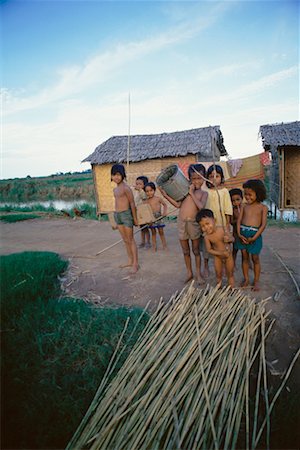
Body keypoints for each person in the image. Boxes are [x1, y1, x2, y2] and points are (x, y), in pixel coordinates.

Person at [159, 164, 208, 284]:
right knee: (185, 251)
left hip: (194, 224)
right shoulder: (184, 192)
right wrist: (165, 195)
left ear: (204, 178)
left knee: (196, 251)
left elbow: (201, 207)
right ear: (189, 179)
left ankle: (198, 273)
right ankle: (189, 273)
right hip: (181, 223)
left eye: (199, 178)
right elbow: (178, 205)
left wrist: (191, 193)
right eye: (193, 178)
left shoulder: (203, 194)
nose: (196, 181)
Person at [237, 179, 268, 291]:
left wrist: (255, 237)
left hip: (255, 235)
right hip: (243, 234)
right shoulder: (244, 206)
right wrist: (240, 234)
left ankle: (256, 281)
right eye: (245, 194)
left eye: (250, 194)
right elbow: (239, 221)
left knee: (255, 258)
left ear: (258, 193)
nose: (247, 197)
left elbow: (263, 225)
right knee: (244, 258)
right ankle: (246, 279)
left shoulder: (263, 208)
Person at [205, 164, 233, 276]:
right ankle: (213, 270)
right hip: (210, 227)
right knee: (212, 248)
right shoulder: (206, 192)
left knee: (224, 248)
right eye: (211, 176)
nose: (214, 178)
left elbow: (228, 211)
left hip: (222, 226)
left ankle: (228, 269)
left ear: (221, 177)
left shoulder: (225, 191)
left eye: (217, 176)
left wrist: (227, 227)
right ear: (207, 178)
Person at [111, 163, 139, 274]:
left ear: (123, 175)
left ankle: (135, 264)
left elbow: (132, 203)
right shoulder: (115, 190)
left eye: (118, 174)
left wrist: (135, 219)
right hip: (118, 216)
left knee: (131, 239)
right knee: (125, 240)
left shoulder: (126, 188)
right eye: (114, 175)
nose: (116, 177)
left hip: (126, 215)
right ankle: (130, 260)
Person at [196, 208, 234, 288]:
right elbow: (209, 250)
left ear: (215, 220)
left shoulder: (223, 229)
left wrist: (229, 239)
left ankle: (232, 288)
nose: (206, 227)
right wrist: (221, 253)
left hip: (228, 256)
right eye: (203, 226)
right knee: (218, 274)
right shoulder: (207, 237)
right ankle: (219, 287)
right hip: (218, 257)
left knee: (230, 273)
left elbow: (232, 239)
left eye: (207, 223)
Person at [144, 182, 168, 251]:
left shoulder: (158, 198)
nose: (149, 193)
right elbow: (145, 212)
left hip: (159, 217)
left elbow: (165, 205)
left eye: (151, 190)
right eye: (147, 191)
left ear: (154, 190)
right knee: (153, 232)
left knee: (161, 232)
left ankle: (164, 245)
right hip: (152, 219)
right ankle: (154, 246)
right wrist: (148, 220)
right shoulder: (146, 202)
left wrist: (165, 212)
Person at [132, 176, 151, 249]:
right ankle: (143, 242)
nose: (138, 185)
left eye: (140, 184)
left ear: (144, 185)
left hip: (143, 212)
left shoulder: (144, 192)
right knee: (141, 228)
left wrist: (140, 190)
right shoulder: (136, 192)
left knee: (145, 228)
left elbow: (144, 197)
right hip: (138, 212)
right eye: (136, 184)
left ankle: (148, 242)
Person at [229, 188, 243, 267]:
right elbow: (231, 221)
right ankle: (233, 264)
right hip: (236, 233)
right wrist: (238, 220)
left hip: (244, 232)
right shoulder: (232, 210)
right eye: (233, 201)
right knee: (235, 249)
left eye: (238, 199)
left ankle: (248, 263)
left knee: (245, 250)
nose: (236, 202)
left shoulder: (245, 208)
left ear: (242, 198)